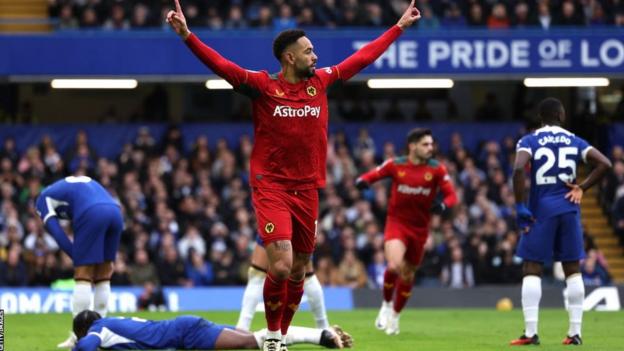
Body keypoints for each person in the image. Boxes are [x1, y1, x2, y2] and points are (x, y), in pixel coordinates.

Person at [166, 1, 421, 350]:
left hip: (308, 189)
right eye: (308, 51)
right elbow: (222, 66)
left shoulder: (321, 81)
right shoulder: (262, 86)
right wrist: (188, 37)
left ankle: (281, 336)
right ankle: (271, 335)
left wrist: (399, 27)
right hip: (271, 187)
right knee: (282, 266)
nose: (315, 56)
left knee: (300, 269)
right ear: (289, 57)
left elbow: (361, 60)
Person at [510, 97, 612, 346]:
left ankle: (531, 333)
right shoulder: (574, 140)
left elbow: (517, 169)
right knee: (572, 269)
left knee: (532, 267)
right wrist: (582, 188)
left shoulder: (530, 140)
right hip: (570, 208)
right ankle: (575, 333)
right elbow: (605, 164)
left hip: (541, 210)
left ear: (539, 118)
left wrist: (520, 204)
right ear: (561, 115)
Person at [355, 128, 458, 335]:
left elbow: (452, 196)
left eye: (431, 144)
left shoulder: (437, 169)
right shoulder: (396, 164)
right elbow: (375, 174)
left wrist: (444, 206)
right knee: (393, 266)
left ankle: (395, 315)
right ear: (413, 146)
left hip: (420, 228)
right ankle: (385, 305)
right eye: (425, 144)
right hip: (397, 223)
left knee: (408, 274)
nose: (431, 148)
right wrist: (363, 181)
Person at [35, 175, 123, 348]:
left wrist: (77, 258)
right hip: (115, 212)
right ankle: (101, 335)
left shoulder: (42, 200)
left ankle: (78, 337)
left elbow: (58, 234)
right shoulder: (67, 188)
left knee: (83, 275)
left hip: (91, 213)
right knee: (103, 275)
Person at [71, 310, 352, 351]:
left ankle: (322, 336)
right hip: (184, 330)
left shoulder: (98, 329)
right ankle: (321, 335)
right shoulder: (109, 323)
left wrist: (77, 346)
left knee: (250, 343)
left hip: (186, 334)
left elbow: (86, 346)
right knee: (251, 343)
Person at [236, 238, 329, 331]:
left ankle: (242, 327)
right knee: (307, 274)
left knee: (258, 273)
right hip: (300, 227)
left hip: (276, 225)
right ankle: (323, 326)